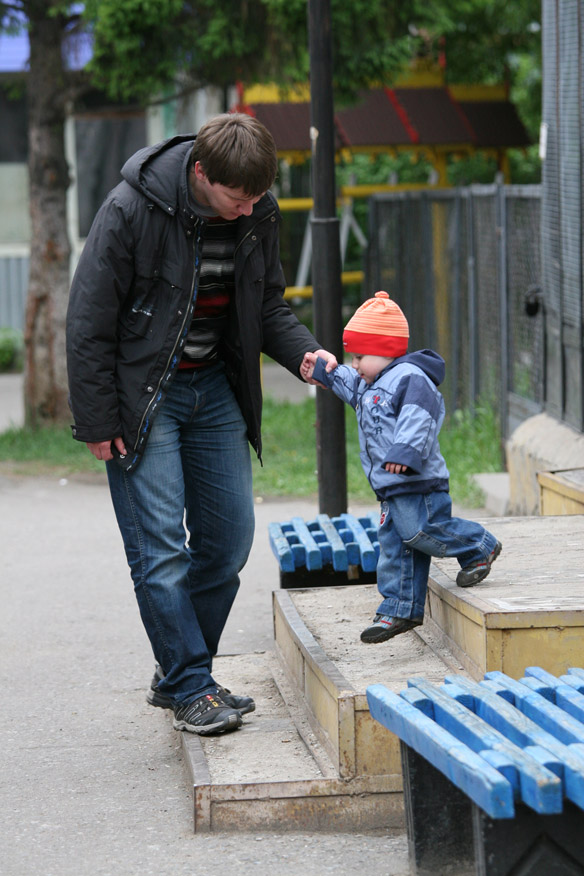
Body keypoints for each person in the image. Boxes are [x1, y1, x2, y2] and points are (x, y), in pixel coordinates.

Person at [66, 113, 337, 736]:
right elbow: (88, 320)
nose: (247, 211)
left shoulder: (257, 211)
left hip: (213, 388)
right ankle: (191, 683)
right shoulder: (131, 208)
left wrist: (304, 355)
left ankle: (182, 675)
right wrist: (97, 419)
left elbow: (266, 304)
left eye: (257, 198)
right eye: (236, 198)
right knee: (160, 549)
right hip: (144, 396)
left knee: (229, 541)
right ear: (200, 173)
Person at [301, 291, 502, 644]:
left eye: (360, 356)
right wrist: (323, 370)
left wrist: (405, 452)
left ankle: (479, 545)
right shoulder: (370, 384)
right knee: (395, 545)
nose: (355, 364)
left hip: (418, 481)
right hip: (391, 485)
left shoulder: (410, 378)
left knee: (421, 530)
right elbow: (347, 381)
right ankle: (399, 607)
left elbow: (418, 419)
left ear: (384, 350)